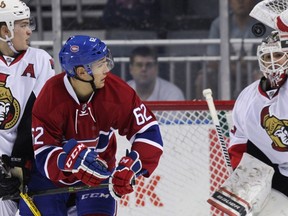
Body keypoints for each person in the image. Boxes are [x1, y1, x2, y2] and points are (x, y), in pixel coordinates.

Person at [18, 35, 164, 215]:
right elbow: (43, 155)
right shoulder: (50, 96)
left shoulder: (116, 91)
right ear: (81, 72)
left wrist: (132, 166)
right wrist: (69, 160)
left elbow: (148, 132)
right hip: (50, 181)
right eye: (100, 64)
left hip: (99, 176)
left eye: (106, 62)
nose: (106, 70)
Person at [0, 0, 55, 215]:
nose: (29, 31)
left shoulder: (40, 60)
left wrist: (18, 164)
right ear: (5, 30)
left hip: (23, 166)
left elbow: (38, 115)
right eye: (23, 25)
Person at [228, 30, 288, 199]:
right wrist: (239, 177)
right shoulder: (247, 99)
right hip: (275, 172)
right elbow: (239, 142)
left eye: (278, 55)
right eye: (267, 57)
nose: (272, 63)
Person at [195, 0, 272, 99]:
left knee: (264, 78)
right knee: (203, 78)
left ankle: (264, 111)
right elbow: (212, 59)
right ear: (229, 2)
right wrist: (237, 67)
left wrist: (248, 65)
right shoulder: (219, 24)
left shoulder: (264, 24)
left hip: (254, 71)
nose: (240, 2)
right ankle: (206, 113)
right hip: (224, 73)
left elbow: (270, 57)